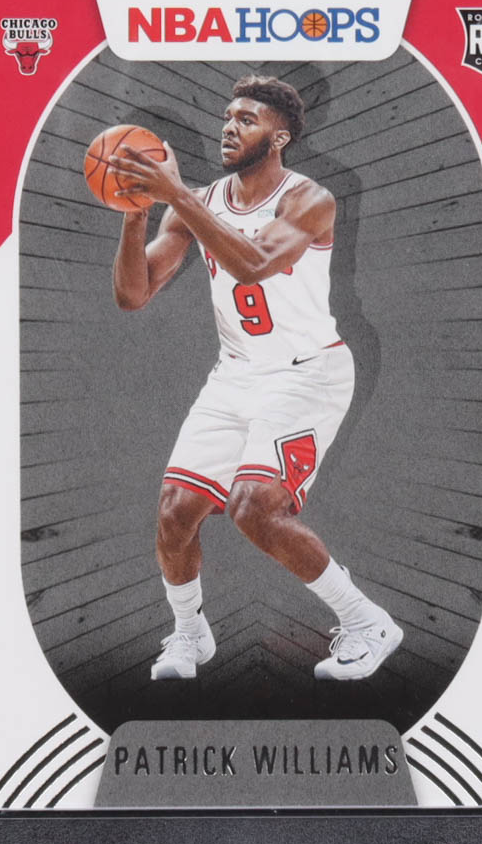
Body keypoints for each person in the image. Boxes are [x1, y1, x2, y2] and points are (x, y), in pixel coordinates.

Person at [109, 75, 403, 682]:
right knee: (175, 511)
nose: (229, 127)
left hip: (308, 372)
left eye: (247, 120)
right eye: (227, 116)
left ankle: (367, 621)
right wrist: (136, 215)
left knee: (254, 507)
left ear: (280, 137)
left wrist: (175, 193)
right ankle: (190, 634)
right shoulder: (197, 203)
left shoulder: (310, 199)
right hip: (237, 372)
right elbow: (133, 295)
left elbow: (254, 265)